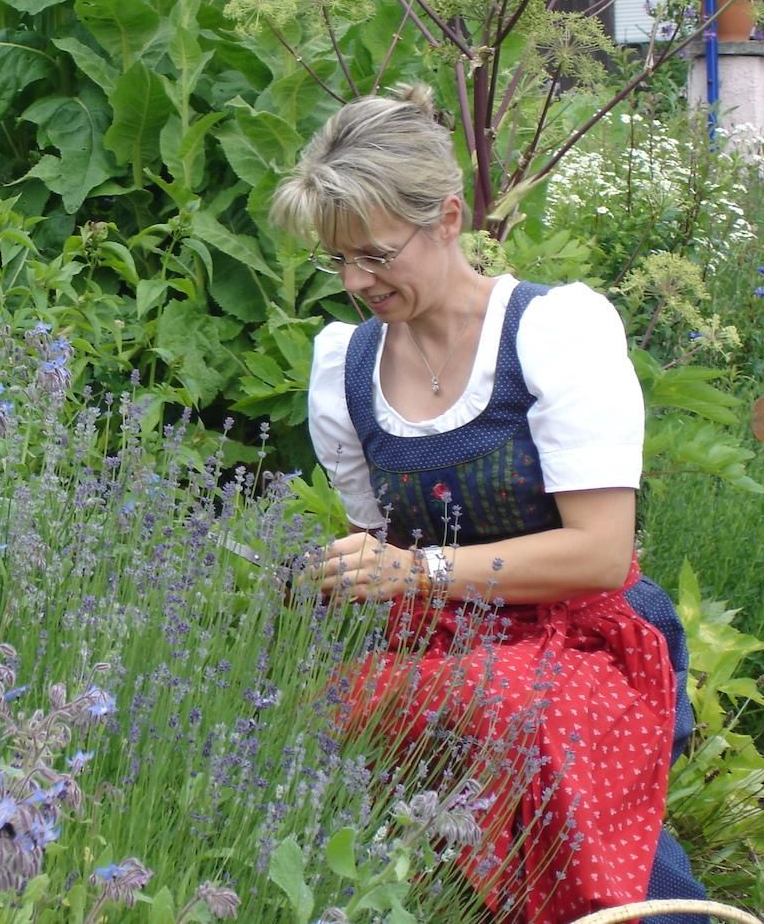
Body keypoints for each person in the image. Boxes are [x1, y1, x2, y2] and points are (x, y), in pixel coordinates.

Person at [270, 86, 709, 923]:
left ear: (445, 217)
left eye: (374, 254)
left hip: (584, 635)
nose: (357, 281)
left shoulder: (553, 333)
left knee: (532, 727)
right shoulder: (347, 368)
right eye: (338, 261)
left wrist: (419, 570)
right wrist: (341, 575)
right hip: (444, 647)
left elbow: (599, 553)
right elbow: (383, 544)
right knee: (316, 718)